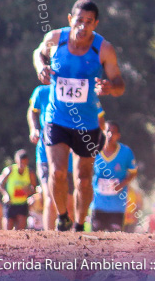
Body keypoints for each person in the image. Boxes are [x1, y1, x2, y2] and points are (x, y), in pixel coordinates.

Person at [33, 0, 125, 231]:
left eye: (89, 22)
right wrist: (40, 67)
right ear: (69, 19)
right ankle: (63, 216)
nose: (83, 26)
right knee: (58, 171)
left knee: (84, 180)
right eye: (79, 20)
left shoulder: (103, 49)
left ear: (96, 24)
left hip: (87, 123)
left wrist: (109, 88)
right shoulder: (56, 39)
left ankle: (80, 223)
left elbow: (120, 84)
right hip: (57, 119)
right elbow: (38, 53)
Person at [29, 83, 105, 230]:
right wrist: (34, 129)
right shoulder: (42, 91)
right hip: (47, 154)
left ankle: (70, 238)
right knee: (50, 199)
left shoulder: (83, 90)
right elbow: (33, 111)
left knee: (70, 203)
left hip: (74, 158)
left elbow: (100, 118)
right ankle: (50, 240)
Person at [89, 120, 138, 232]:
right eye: (107, 131)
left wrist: (122, 184)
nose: (110, 134)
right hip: (98, 204)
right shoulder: (94, 150)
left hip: (118, 206)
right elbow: (85, 170)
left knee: (115, 240)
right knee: (96, 239)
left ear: (118, 135)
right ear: (102, 132)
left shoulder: (126, 152)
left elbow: (133, 172)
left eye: (113, 132)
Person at [0, 149, 37, 230]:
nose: (22, 165)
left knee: (20, 231)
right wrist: (5, 194)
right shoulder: (10, 170)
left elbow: (34, 188)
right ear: (16, 161)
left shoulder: (30, 172)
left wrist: (29, 191)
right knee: (8, 230)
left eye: (24, 163)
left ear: (27, 161)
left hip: (22, 204)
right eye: (20, 162)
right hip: (10, 204)